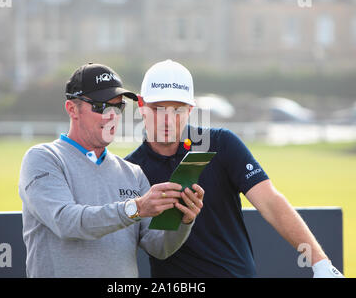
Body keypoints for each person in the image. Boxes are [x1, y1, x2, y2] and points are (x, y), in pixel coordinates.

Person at [125, 59, 344, 278]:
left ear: (191, 109)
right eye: (158, 109)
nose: (168, 120)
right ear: (142, 106)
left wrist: (321, 264)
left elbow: (270, 202)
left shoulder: (222, 144)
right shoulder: (129, 169)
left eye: (178, 110)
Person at [18, 62, 204, 277]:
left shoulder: (132, 173)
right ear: (72, 109)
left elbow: (159, 247)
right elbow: (66, 222)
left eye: (118, 107)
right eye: (101, 106)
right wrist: (135, 208)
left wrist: (183, 220)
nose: (111, 115)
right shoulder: (43, 158)